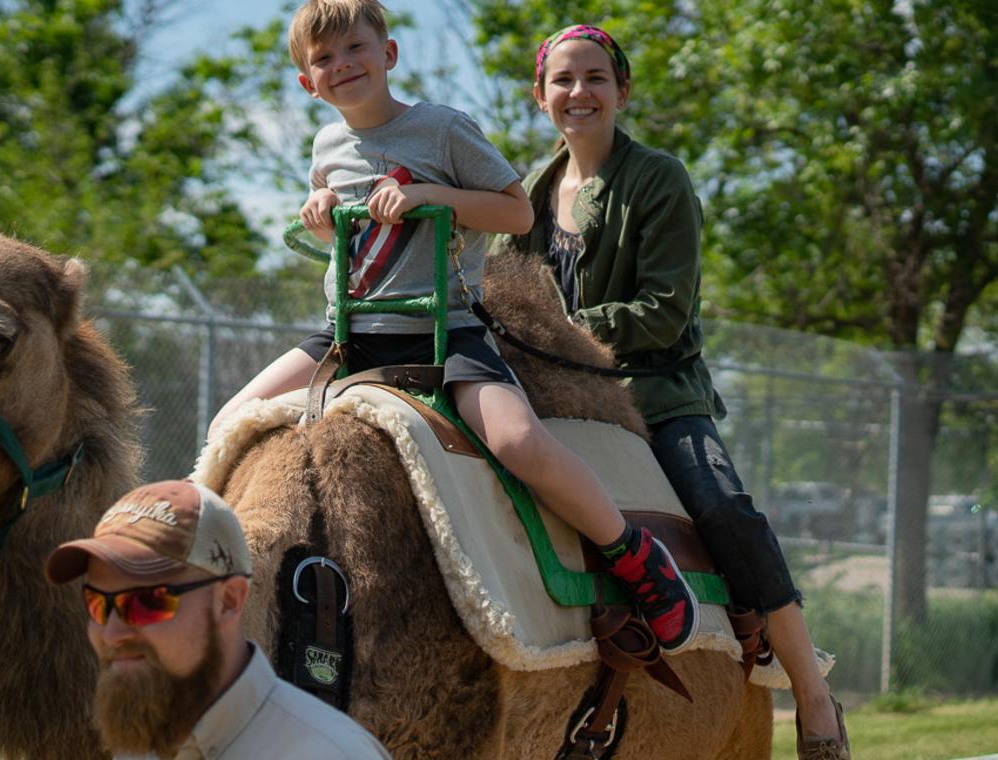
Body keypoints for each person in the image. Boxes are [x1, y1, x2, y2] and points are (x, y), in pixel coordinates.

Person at [207, 0, 700, 656]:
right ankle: (189, 563)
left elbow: (517, 214)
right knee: (232, 423)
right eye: (322, 59)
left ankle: (634, 555)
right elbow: (339, 248)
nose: (341, 65)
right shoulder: (326, 145)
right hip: (347, 333)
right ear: (307, 83)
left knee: (519, 441)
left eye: (354, 48)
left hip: (445, 331)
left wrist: (428, 196)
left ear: (389, 55)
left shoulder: (441, 130)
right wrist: (318, 217)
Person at [510, 24, 850, 759]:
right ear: (540, 97)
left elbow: (662, 313)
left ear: (622, 90)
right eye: (563, 81)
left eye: (595, 78)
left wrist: (551, 329)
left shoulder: (659, 177)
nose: (579, 93)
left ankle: (813, 697)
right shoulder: (526, 196)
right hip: (551, 394)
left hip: (653, 392)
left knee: (725, 510)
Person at [0, 480, 391, 760]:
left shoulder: (328, 754)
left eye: (146, 603)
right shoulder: (147, 740)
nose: (111, 633)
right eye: (97, 605)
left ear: (229, 601)